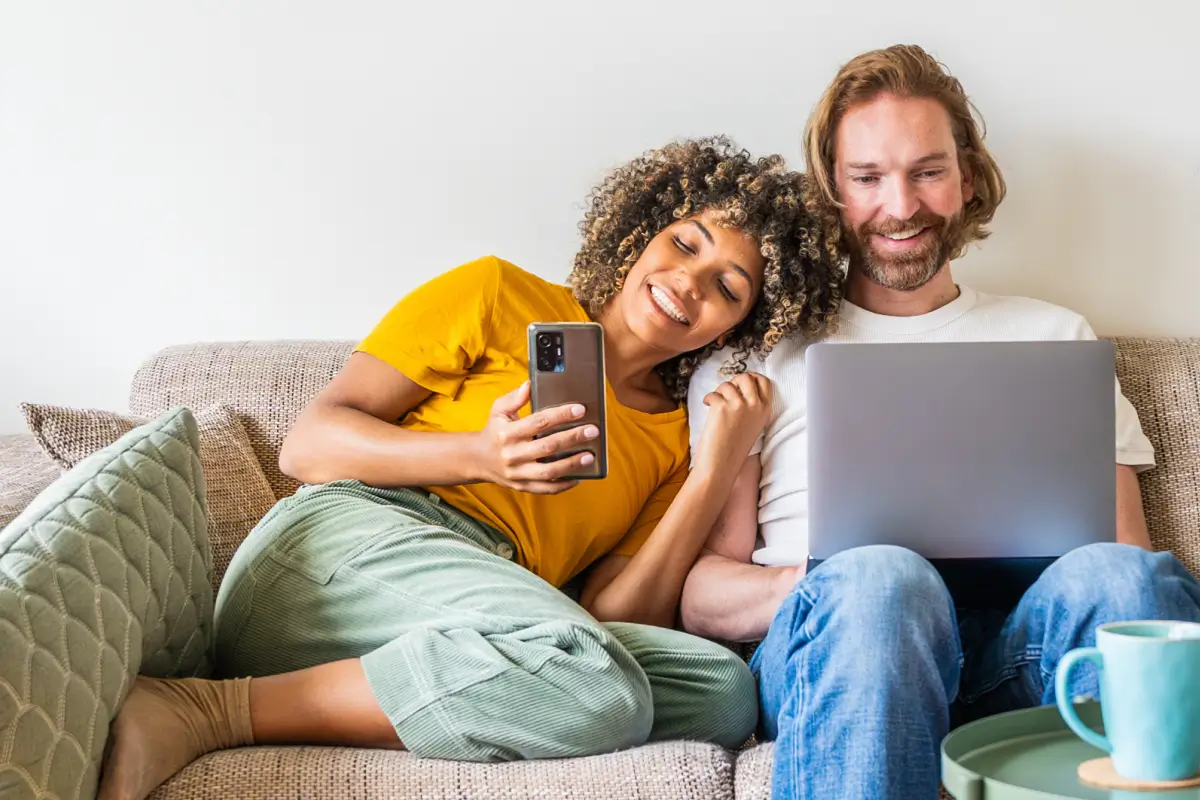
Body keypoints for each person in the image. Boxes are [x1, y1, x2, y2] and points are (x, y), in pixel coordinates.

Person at [95, 137, 844, 800]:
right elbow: (309, 445)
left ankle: (428, 689)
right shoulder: (497, 294)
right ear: (642, 229)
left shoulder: (674, 440)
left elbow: (615, 620)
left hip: (486, 612)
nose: (690, 282)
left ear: (745, 325)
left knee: (721, 690)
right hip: (339, 554)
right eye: (686, 243)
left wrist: (712, 470)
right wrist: (480, 454)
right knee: (594, 680)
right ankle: (202, 710)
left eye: (727, 287)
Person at [680, 46, 1200, 800]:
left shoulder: (1055, 338)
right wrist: (826, 578)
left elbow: (1125, 567)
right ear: (832, 190)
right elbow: (701, 597)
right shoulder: (761, 355)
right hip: (842, 649)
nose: (900, 206)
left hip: (1018, 661)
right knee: (881, 580)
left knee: (1123, 580)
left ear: (966, 179)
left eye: (927, 171)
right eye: (868, 178)